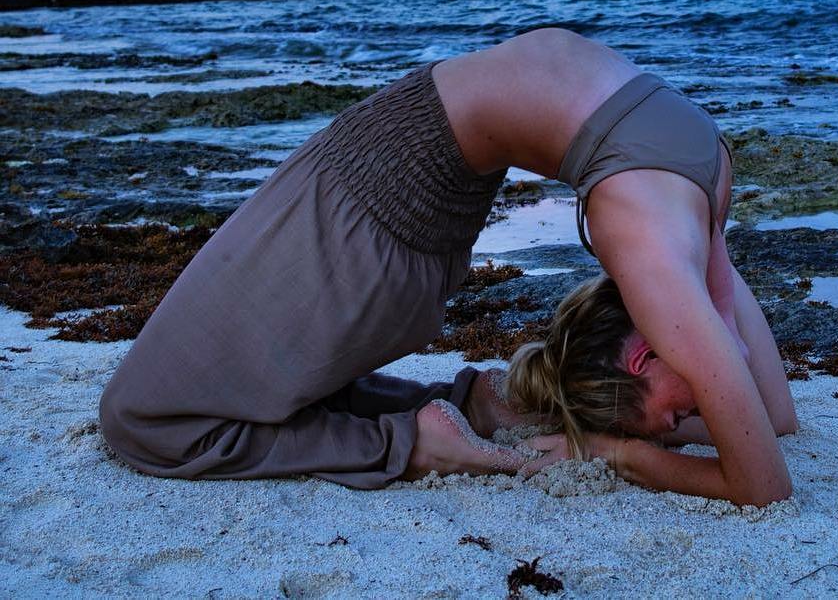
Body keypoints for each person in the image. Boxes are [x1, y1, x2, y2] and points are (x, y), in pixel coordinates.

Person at [99, 27, 797, 504]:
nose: (695, 411)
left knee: (145, 419)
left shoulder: (671, 239)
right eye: (675, 419)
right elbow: (767, 464)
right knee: (184, 404)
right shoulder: (664, 267)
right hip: (384, 188)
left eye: (675, 421)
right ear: (643, 357)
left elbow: (768, 438)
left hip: (396, 189)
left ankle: (414, 442)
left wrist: (623, 451)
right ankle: (476, 405)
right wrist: (628, 451)